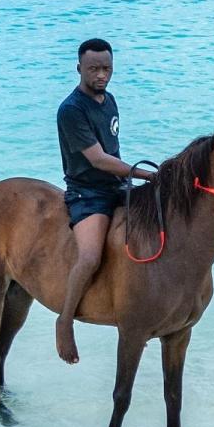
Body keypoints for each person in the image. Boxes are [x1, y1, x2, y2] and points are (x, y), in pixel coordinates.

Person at [55, 39, 157, 364]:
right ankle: (64, 322)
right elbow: (98, 159)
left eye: (107, 69)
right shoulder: (71, 110)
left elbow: (114, 151)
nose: (101, 75)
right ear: (79, 69)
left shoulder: (109, 100)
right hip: (88, 192)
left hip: (116, 185)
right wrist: (144, 174)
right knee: (89, 256)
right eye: (94, 69)